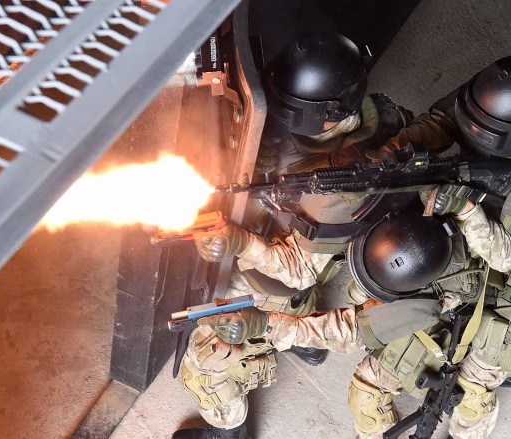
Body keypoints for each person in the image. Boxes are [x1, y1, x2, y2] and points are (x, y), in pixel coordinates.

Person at [173, 33, 414, 439]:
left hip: (292, 265)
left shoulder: (337, 185)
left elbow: (300, 270)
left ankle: (228, 430)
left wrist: (240, 242)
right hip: (322, 244)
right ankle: (305, 334)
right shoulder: (383, 116)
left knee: (204, 360)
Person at [382, 54, 511, 438]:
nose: (472, 132)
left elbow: (505, 254)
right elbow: (444, 119)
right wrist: (398, 148)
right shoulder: (498, 95)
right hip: (507, 210)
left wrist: (464, 207)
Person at [178, 211, 483, 439]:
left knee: (367, 399)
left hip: (450, 321)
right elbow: (301, 265)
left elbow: (345, 331)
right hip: (405, 263)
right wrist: (244, 243)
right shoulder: (394, 206)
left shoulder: (421, 306)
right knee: (281, 284)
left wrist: (265, 324)